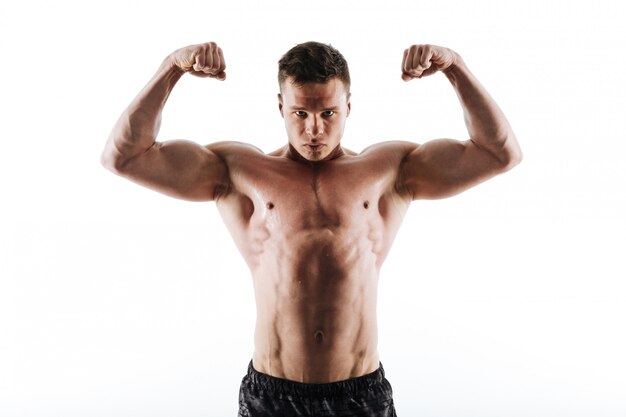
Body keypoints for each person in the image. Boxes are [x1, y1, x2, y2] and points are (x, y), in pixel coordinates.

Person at [101, 41, 522, 416]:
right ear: (280, 107)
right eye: (300, 113)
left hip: (361, 392)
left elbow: (498, 153)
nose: (314, 129)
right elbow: (125, 157)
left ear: (349, 107)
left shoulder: (389, 170)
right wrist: (171, 67)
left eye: (328, 113)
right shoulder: (238, 170)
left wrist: (456, 67)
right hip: (271, 393)